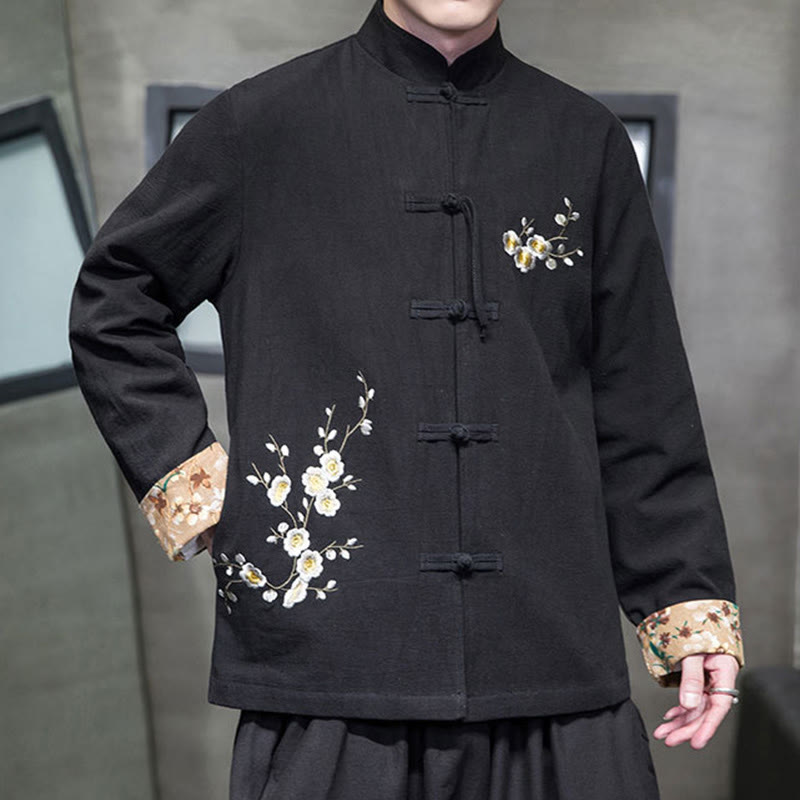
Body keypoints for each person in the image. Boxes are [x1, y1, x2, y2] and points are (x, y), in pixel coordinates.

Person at [67, 0, 745, 797]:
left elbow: (643, 392)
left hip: (554, 670)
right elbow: (116, 300)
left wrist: (685, 593)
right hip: (333, 684)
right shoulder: (262, 125)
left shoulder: (584, 140)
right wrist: (202, 490)